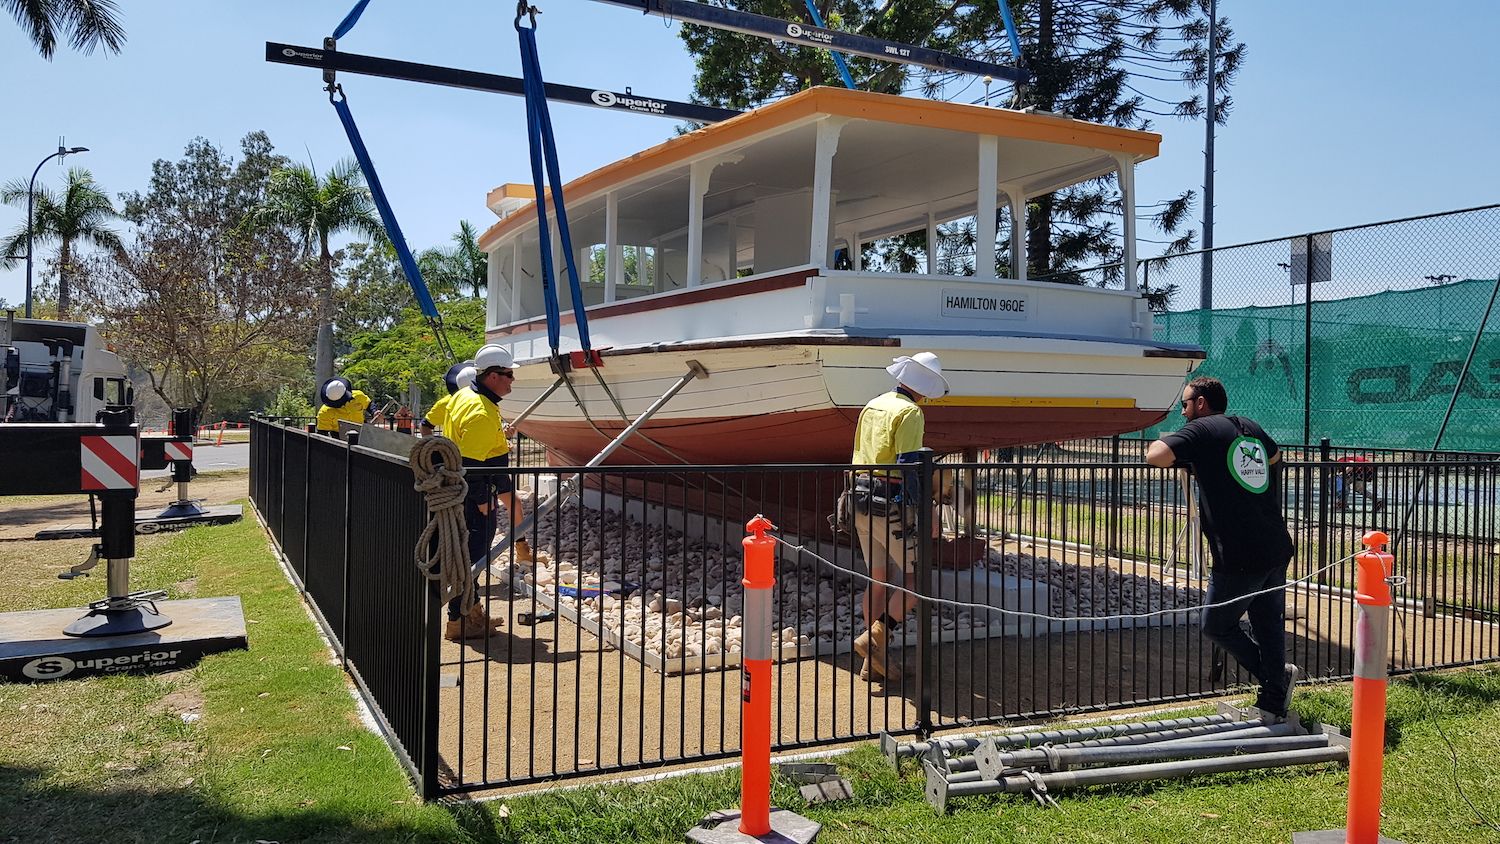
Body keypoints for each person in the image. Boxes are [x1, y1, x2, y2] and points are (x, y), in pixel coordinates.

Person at [1146, 376, 1299, 719]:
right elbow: (1275, 457)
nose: (1183, 411)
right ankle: (1273, 700)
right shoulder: (1248, 426)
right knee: (1267, 623)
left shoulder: (1203, 431)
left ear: (1200, 403)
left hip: (1239, 553)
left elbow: (1155, 455)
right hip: (1275, 542)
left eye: (1184, 404)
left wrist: (1189, 455)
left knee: (1215, 624)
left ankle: (1275, 679)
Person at [848, 351, 949, 683]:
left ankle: (872, 660)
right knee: (914, 581)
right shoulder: (910, 412)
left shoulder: (873, 404)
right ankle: (874, 637)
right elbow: (909, 467)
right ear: (925, 388)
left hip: (859, 498)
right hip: (889, 505)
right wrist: (928, 511)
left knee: (877, 581)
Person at [442, 344, 531, 641]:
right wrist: (482, 501)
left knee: (468, 556)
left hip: (462, 491)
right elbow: (471, 462)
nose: (512, 380)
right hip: (474, 495)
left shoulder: (466, 397)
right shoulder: (480, 410)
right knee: (473, 558)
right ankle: (460, 620)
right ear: (492, 376)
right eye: (508, 374)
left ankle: (471, 612)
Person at [421, 360, 477, 437]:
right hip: (454, 448)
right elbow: (425, 425)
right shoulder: (446, 402)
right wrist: (434, 446)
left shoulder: (492, 400)